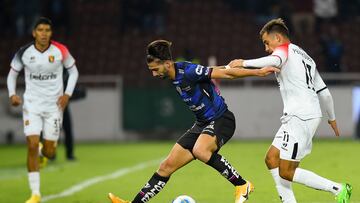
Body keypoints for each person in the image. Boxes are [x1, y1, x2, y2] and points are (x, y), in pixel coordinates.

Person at [108, 40, 279, 203]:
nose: (153, 74)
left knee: (200, 150)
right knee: (165, 167)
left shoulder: (187, 72)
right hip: (202, 124)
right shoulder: (179, 72)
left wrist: (257, 72)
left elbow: (225, 74)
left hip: (221, 119)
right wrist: (226, 66)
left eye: (155, 69)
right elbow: (209, 69)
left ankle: (242, 184)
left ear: (167, 63)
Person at [228, 18, 352, 203]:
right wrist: (332, 119)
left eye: (266, 43)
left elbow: (274, 59)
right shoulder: (306, 57)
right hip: (301, 116)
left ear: (277, 37)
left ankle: (338, 189)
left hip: (300, 117)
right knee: (271, 158)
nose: (266, 48)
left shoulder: (283, 50)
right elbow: (324, 93)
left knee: (287, 171)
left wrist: (244, 63)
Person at [6, 17, 79, 203]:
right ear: (34, 33)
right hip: (32, 106)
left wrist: (67, 95)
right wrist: (12, 94)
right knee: (31, 145)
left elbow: (73, 72)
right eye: (40, 30)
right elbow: (12, 74)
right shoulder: (24, 52)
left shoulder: (60, 50)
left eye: (47, 30)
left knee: (50, 152)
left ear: (51, 33)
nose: (44, 33)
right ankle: (35, 194)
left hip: (54, 108)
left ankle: (43, 153)